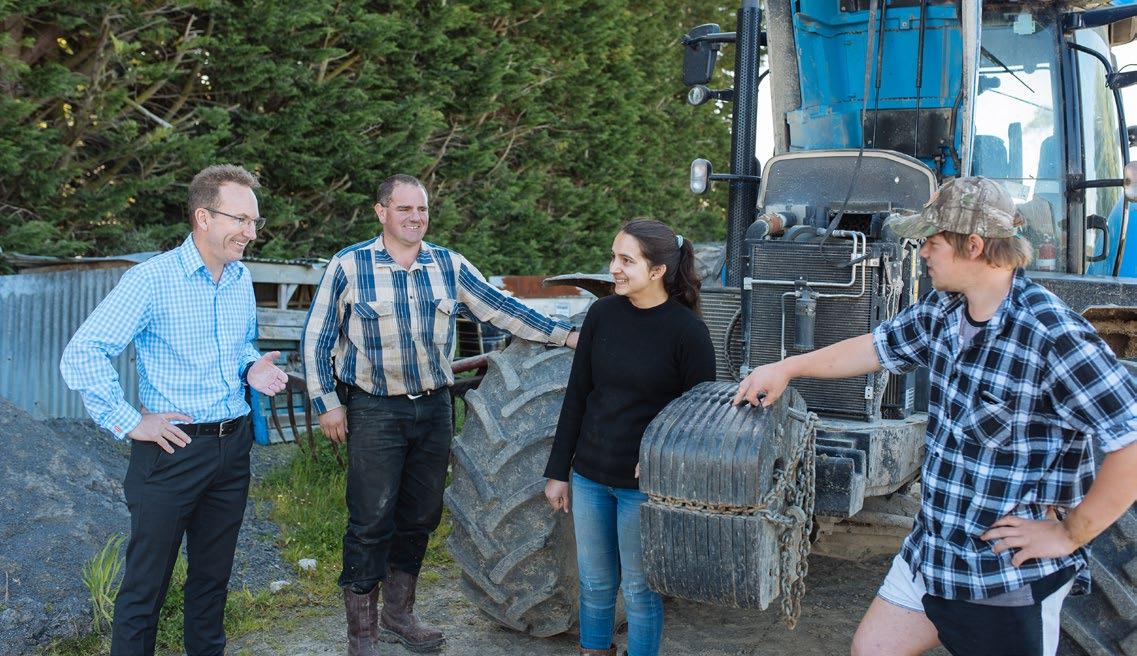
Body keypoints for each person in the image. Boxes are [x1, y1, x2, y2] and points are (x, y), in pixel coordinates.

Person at [733, 177, 1137, 656]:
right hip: (934, 551)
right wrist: (788, 368)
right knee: (872, 649)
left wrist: (1071, 533)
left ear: (974, 245)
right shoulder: (942, 311)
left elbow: (1131, 440)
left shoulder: (1051, 334)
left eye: (933, 241)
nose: (922, 251)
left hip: (1000, 573)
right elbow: (875, 347)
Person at [301, 173, 579, 655]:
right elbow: (316, 338)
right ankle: (361, 635)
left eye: (422, 209)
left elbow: (501, 308)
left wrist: (566, 334)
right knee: (370, 518)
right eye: (404, 208)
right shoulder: (350, 265)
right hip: (375, 409)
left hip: (433, 408)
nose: (415, 218)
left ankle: (399, 615)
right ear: (381, 212)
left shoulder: (448, 264)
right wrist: (327, 404)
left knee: (420, 515)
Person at [60, 164, 289, 656]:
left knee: (211, 581)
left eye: (255, 222)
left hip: (233, 449)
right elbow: (82, 353)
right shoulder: (151, 280)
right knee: (145, 588)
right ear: (203, 217)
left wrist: (250, 368)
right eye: (241, 220)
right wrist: (130, 421)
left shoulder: (240, 279)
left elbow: (238, 347)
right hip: (173, 451)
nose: (251, 233)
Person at [543, 219, 716, 656]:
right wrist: (558, 472)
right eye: (613, 257)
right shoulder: (601, 315)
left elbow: (698, 417)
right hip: (589, 477)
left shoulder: (688, 332)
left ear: (657, 270)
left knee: (640, 591)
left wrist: (660, 456)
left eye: (626, 260)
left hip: (645, 487)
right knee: (595, 583)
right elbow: (577, 396)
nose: (613, 268)